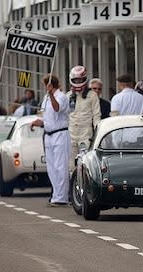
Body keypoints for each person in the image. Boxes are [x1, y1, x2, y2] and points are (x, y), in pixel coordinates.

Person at [30, 74, 70, 207]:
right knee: (51, 168)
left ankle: (62, 197)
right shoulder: (46, 98)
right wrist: (39, 122)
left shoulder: (62, 97)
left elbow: (57, 108)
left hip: (60, 134)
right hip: (48, 135)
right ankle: (56, 195)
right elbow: (48, 118)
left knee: (60, 167)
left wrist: (51, 95)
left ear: (50, 85)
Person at [66, 65, 101, 172]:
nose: (78, 81)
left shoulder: (92, 96)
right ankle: (71, 187)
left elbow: (96, 116)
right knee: (71, 165)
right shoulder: (67, 96)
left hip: (86, 135)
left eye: (80, 79)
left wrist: (97, 133)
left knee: (84, 163)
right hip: (70, 134)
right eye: (75, 80)